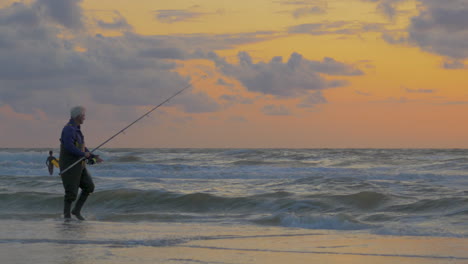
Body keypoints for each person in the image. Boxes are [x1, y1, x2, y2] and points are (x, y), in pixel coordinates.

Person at [59, 106, 103, 220]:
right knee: (71, 193)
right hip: (70, 165)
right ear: (78, 116)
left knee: (89, 187)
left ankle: (76, 211)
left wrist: (92, 156)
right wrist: (83, 155)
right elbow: (69, 146)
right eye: (83, 115)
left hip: (80, 165)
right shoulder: (68, 129)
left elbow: (82, 147)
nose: (84, 118)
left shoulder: (77, 129)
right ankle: (66, 217)